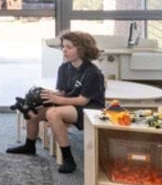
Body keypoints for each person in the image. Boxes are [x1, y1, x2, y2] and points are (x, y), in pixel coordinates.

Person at [7, 29, 105, 173]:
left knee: (53, 113)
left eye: (69, 47)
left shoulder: (92, 72)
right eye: (63, 47)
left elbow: (83, 100)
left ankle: (68, 159)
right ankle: (29, 145)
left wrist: (57, 99)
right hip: (70, 103)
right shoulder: (64, 68)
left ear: (82, 49)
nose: (64, 50)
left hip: (89, 108)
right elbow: (63, 92)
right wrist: (46, 95)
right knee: (31, 110)